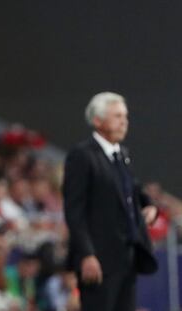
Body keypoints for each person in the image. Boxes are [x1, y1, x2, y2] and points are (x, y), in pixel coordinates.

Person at [63, 92, 158, 311]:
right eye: (117, 116)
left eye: (125, 116)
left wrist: (150, 205)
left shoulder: (121, 154)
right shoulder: (83, 156)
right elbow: (74, 211)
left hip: (127, 257)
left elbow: (133, 189)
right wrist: (86, 254)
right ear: (98, 120)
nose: (124, 121)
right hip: (99, 259)